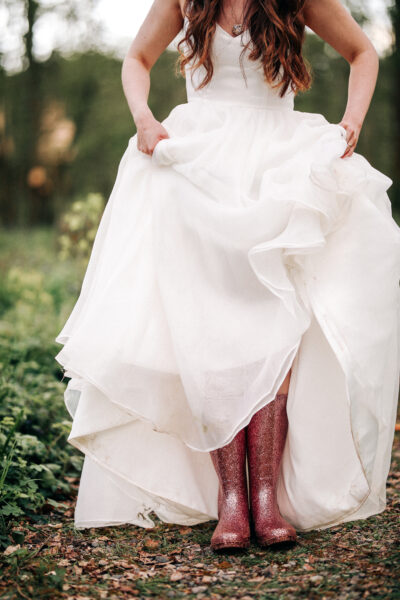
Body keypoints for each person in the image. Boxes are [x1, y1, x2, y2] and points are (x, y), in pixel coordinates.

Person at [55, 0, 400, 552]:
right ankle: (230, 501)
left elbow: (363, 52)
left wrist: (351, 124)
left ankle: (265, 496)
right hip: (200, 163)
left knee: (276, 317)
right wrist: (145, 119)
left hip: (279, 164)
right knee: (211, 324)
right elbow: (136, 59)